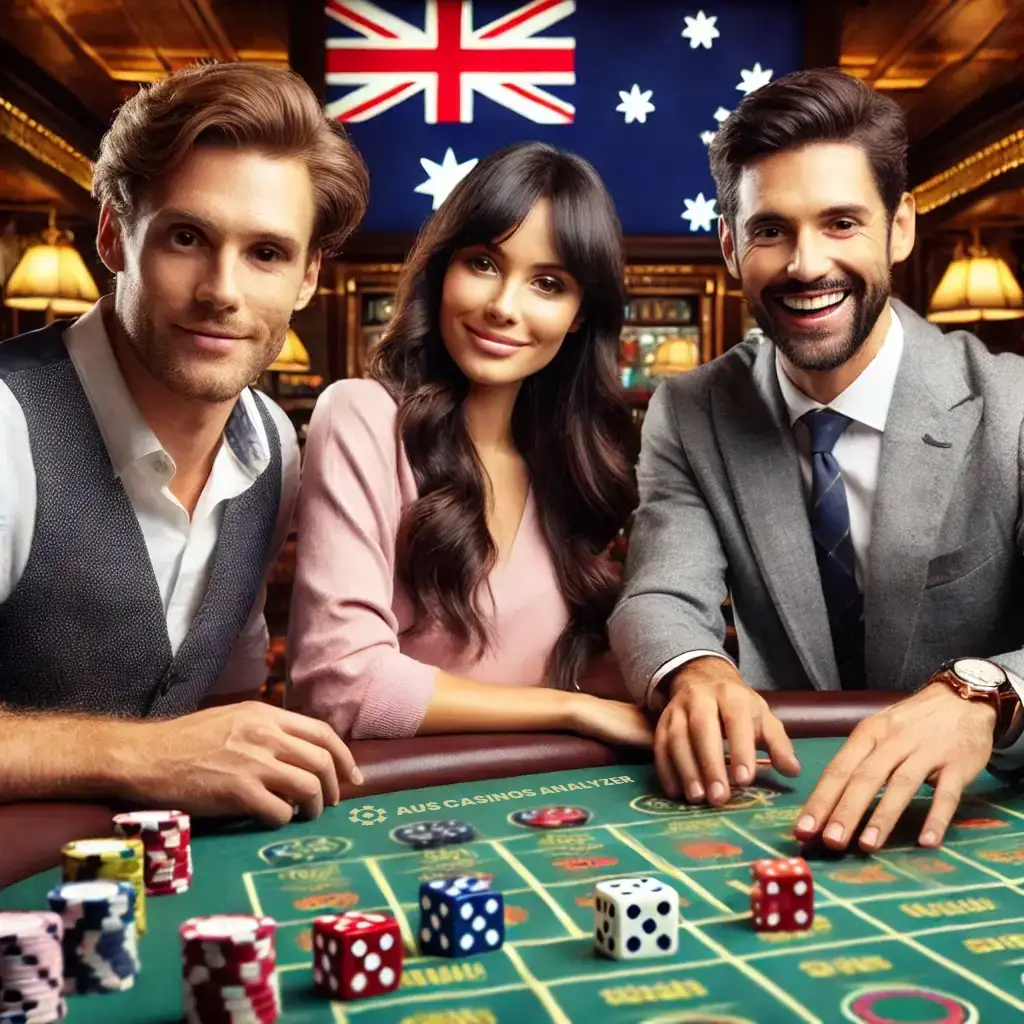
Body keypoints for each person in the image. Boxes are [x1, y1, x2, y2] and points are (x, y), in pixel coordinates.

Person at [609, 67, 1024, 853]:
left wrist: (984, 692)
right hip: (782, 808)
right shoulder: (690, 409)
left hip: (980, 819)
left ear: (900, 228)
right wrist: (695, 670)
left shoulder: (1014, 407)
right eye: (771, 230)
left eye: (841, 223)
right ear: (731, 244)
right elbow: (659, 592)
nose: (805, 265)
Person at [0, 62, 368, 825]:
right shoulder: (8, 427)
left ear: (306, 279)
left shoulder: (276, 446)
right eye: (187, 237)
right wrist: (138, 755)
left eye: (266, 253)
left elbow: (226, 698)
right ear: (114, 235)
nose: (222, 290)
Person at [288, 142, 651, 748]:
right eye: (484, 263)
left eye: (547, 283)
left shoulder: (572, 462)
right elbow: (339, 686)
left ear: (580, 315)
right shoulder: (363, 417)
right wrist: (568, 711)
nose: (504, 308)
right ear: (444, 269)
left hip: (543, 804)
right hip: (395, 807)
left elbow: (570, 661)